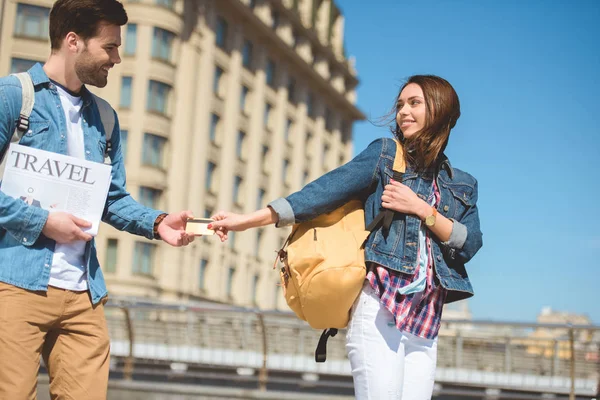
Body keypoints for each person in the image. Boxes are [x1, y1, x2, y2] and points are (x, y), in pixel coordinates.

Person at [210, 75, 483, 399]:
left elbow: (470, 243)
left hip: (425, 320)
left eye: (414, 103)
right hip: (381, 309)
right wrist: (245, 220)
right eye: (400, 105)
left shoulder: (461, 184)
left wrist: (421, 208)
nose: (403, 112)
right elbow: (318, 195)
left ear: (440, 111)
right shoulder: (385, 155)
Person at [0, 1, 195, 399]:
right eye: (109, 47)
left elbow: (111, 199)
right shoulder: (13, 97)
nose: (117, 58)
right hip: (13, 284)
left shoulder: (104, 117)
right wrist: (43, 222)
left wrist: (158, 224)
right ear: (74, 41)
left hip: (83, 294)